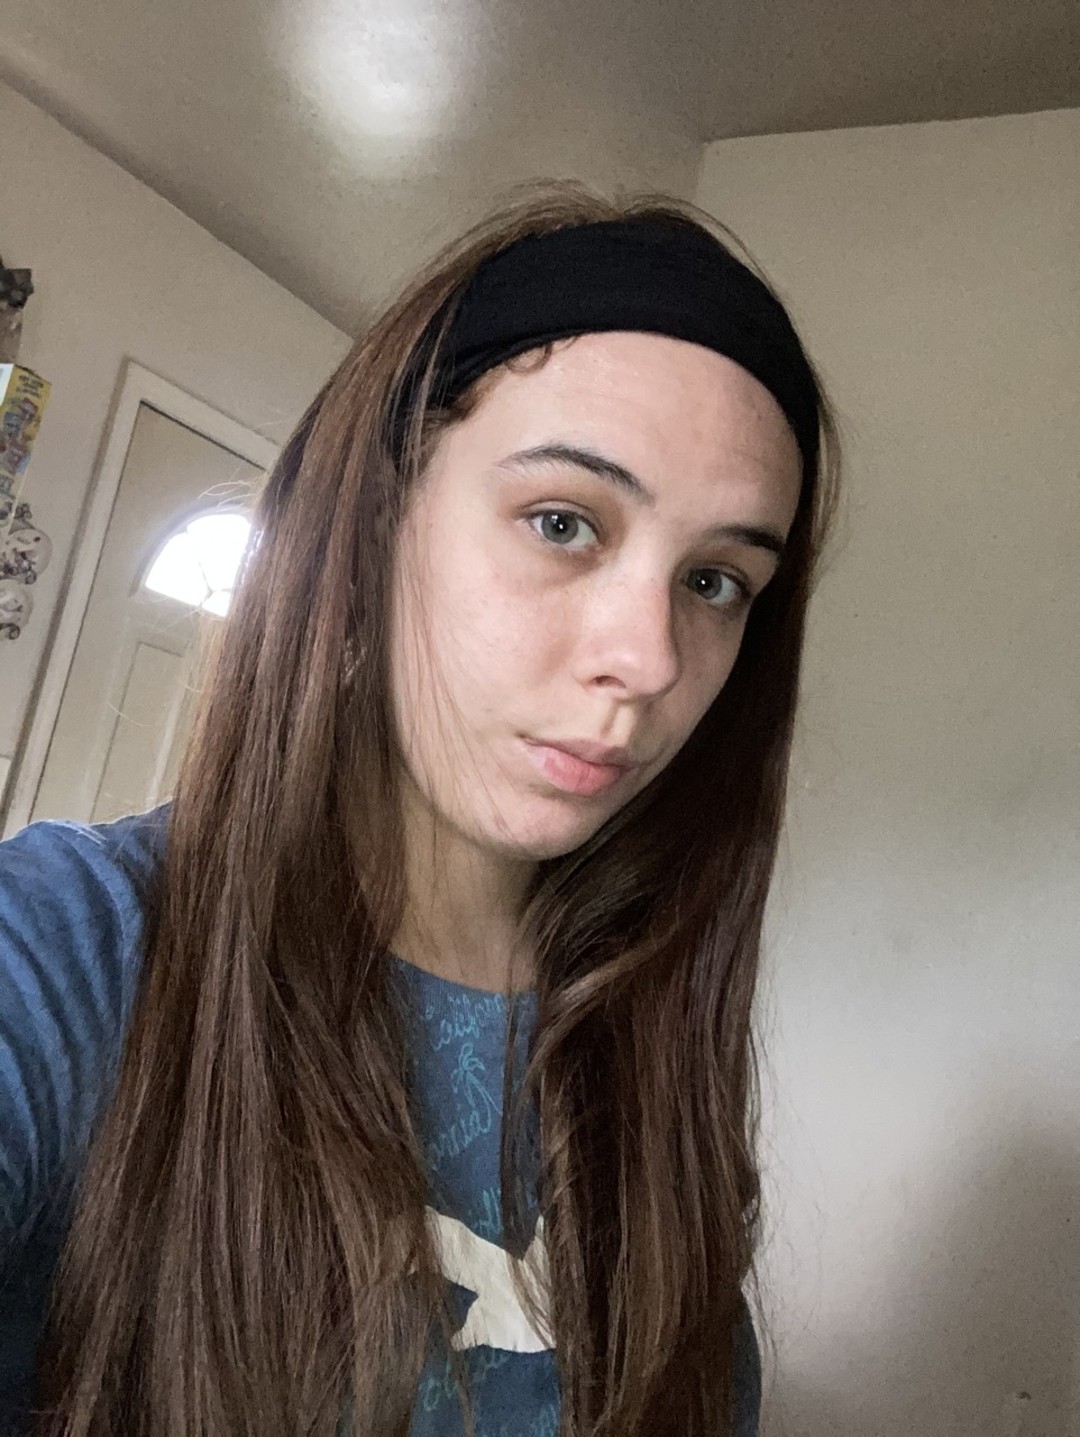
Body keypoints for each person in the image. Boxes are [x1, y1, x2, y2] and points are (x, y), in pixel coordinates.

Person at [0, 184, 838, 1436]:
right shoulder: (75, 952)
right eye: (563, 522)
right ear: (378, 518)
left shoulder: (648, 1047)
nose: (649, 658)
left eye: (715, 581)